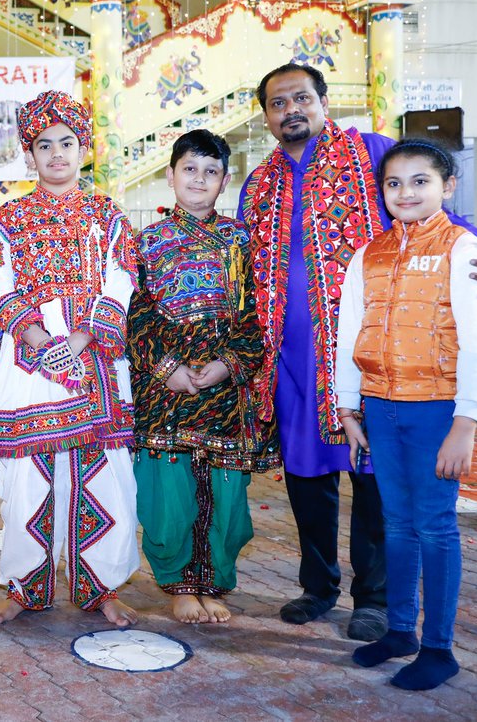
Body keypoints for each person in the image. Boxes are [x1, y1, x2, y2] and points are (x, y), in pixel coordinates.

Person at [237, 63, 477, 642]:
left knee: (372, 478)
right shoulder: (258, 184)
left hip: (370, 354)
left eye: (302, 97)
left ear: (323, 101)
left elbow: (435, 215)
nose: (291, 109)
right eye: (277, 102)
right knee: (305, 478)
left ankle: (376, 596)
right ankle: (317, 586)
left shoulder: (369, 152)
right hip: (288, 361)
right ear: (265, 116)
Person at [335, 139, 477, 690]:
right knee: (397, 525)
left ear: (448, 186)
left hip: (437, 412)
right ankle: (401, 631)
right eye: (394, 183)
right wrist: (348, 406)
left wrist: (466, 422)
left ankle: (438, 648)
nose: (406, 192)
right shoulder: (370, 254)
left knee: (434, 527)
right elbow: (349, 331)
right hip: (381, 409)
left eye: (420, 181)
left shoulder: (465, 248)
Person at [0, 90, 141, 627]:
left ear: (83, 148)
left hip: (95, 360)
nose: (56, 155)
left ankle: (103, 588)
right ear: (29, 155)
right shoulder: (9, 219)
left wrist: (82, 336)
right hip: (30, 366)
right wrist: (32, 333)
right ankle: (26, 589)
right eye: (43, 145)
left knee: (107, 475)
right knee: (26, 476)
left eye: (66, 144)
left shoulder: (107, 214)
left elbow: (122, 278)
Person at [128, 130, 280, 625]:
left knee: (225, 496)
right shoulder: (143, 243)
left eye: (210, 171)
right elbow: (135, 315)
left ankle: (212, 581)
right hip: (166, 392)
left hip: (223, 391)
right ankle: (178, 586)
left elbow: (257, 313)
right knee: (169, 495)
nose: (199, 179)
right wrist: (167, 368)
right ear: (169, 175)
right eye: (189, 169)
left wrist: (229, 364)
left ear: (225, 180)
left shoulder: (241, 241)